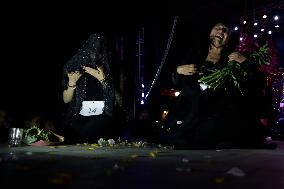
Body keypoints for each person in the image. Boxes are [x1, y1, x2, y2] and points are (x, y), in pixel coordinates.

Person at [159, 21, 271, 149]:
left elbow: (258, 83)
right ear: (210, 32)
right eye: (218, 27)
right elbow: (172, 82)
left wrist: (245, 62)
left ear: (228, 39)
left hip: (219, 110)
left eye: (225, 31)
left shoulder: (233, 57)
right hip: (190, 108)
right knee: (178, 135)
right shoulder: (193, 53)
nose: (221, 31)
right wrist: (178, 71)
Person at [61, 33, 115, 144]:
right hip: (80, 116)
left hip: (101, 117)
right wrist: (71, 82)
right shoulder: (75, 68)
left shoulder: (104, 67)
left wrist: (102, 80)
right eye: (91, 47)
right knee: (74, 129)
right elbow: (66, 100)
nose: (94, 52)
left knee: (98, 125)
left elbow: (111, 99)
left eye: (97, 48)